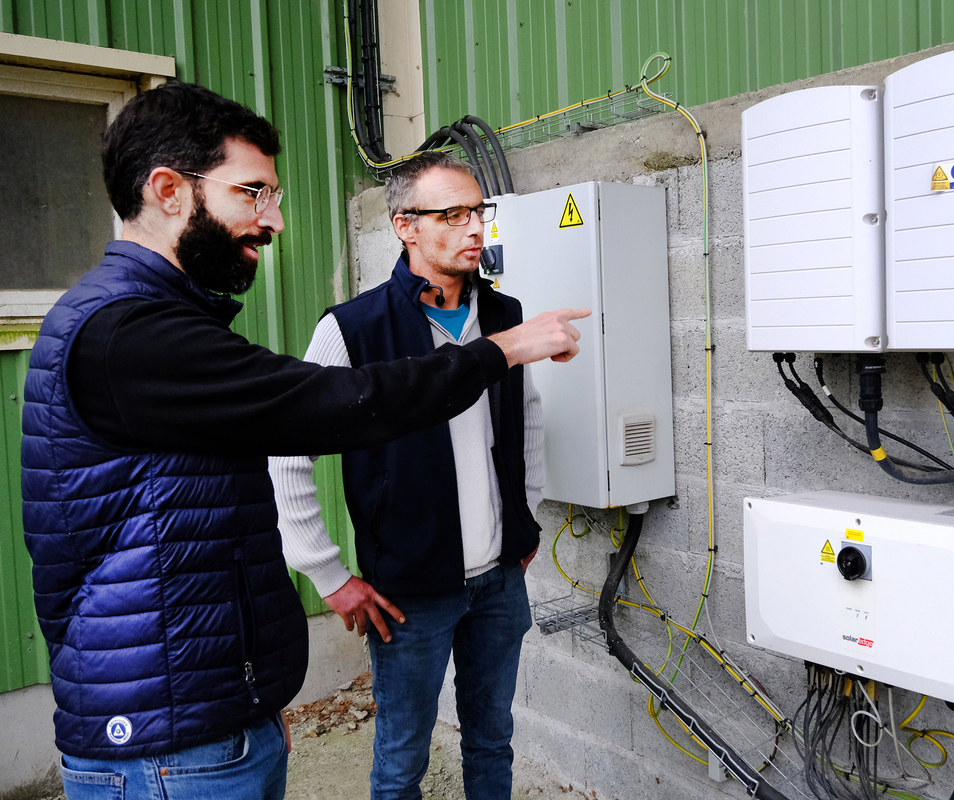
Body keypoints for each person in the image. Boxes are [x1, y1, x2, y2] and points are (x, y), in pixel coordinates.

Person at [21, 81, 587, 800]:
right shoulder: (130, 336)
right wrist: (499, 352)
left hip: (207, 717)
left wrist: (254, 707)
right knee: (402, 756)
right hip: (167, 745)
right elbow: (327, 408)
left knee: (490, 733)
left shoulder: (158, 324)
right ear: (168, 190)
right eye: (253, 193)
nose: (274, 220)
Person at [268, 151, 542, 800]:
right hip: (410, 597)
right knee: (400, 762)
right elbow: (286, 452)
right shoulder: (352, 329)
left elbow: (526, 422)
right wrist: (326, 574)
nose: (474, 228)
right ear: (405, 226)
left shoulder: (505, 317)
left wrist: (523, 523)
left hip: (500, 584)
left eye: (479, 211)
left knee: (492, 740)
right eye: (452, 214)